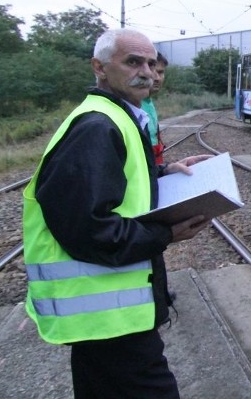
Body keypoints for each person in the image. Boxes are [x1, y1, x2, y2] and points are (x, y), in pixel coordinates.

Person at [22, 28, 212, 399]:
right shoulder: (97, 127)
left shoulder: (118, 117)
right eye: (132, 62)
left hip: (110, 315)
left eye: (151, 63)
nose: (147, 71)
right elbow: (88, 228)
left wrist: (164, 171)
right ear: (99, 67)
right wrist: (166, 234)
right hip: (109, 319)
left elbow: (114, 183)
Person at [141, 52, 169, 165]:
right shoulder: (134, 104)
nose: (157, 78)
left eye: (161, 72)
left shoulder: (148, 101)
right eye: (153, 71)